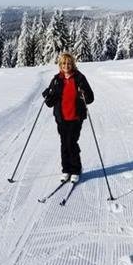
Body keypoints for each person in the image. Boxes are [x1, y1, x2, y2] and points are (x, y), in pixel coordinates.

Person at [41, 52, 94, 183]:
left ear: (73, 64)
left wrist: (84, 92)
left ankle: (76, 169)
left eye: (69, 63)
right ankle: (66, 170)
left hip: (76, 117)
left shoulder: (80, 78)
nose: (66, 65)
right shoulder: (56, 79)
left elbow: (90, 98)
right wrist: (47, 95)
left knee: (71, 142)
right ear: (60, 65)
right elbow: (50, 103)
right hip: (61, 118)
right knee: (64, 143)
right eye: (64, 63)